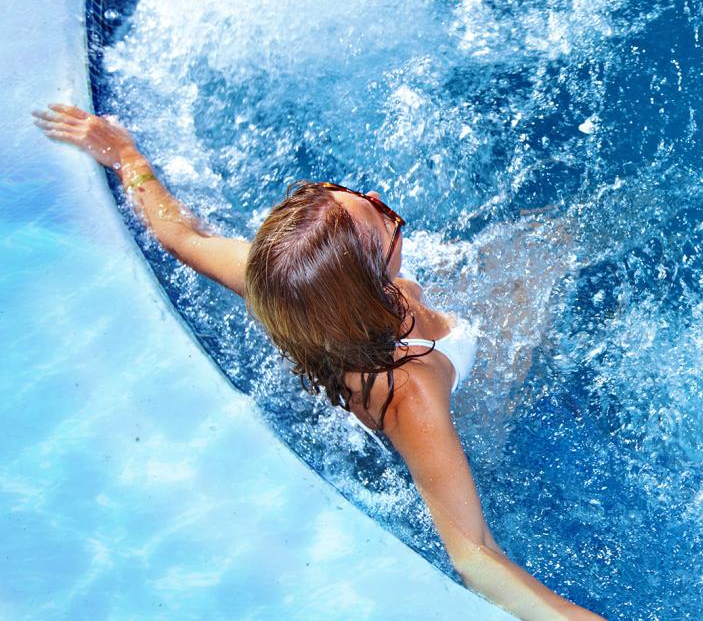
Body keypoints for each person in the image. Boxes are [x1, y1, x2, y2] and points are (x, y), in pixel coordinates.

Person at [33, 103, 602, 621]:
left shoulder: (281, 288)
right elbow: (473, 554)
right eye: (386, 222)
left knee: (552, 239)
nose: (385, 205)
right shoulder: (413, 390)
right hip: (464, 392)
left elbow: (180, 233)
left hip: (401, 338)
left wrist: (127, 157)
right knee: (553, 255)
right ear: (372, 285)